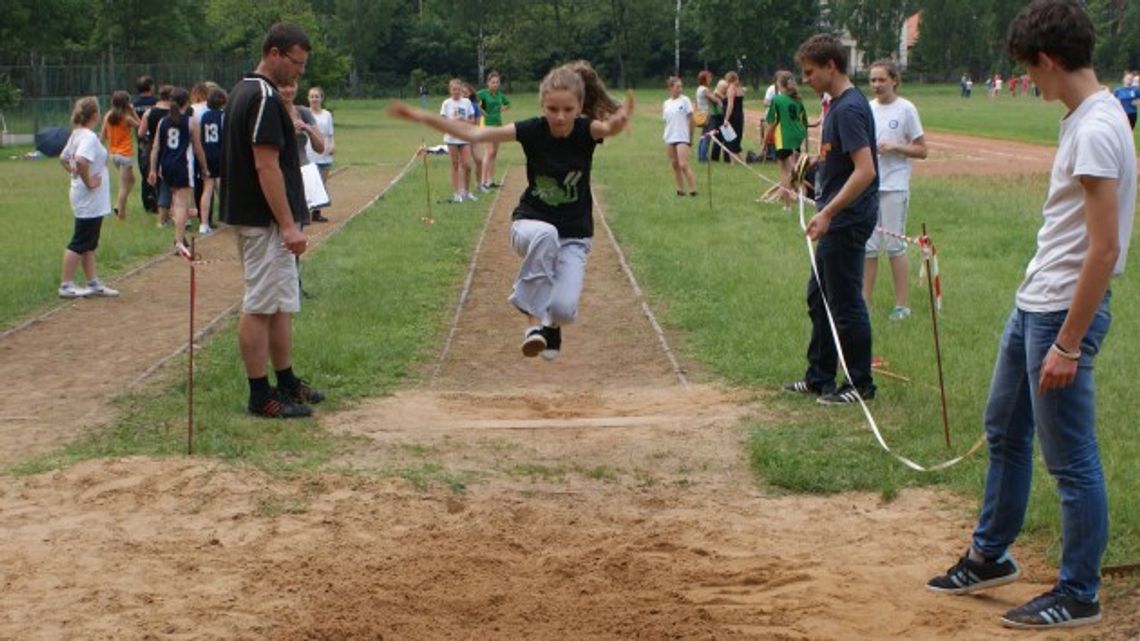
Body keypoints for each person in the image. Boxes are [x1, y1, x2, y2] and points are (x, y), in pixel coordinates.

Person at [926, 0, 1136, 630]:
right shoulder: (1084, 118)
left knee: (1070, 461)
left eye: (1030, 71)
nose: (1033, 85)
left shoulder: (1097, 127)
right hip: (1033, 304)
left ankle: (1079, 593)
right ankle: (990, 556)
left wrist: (1068, 343)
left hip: (1059, 318)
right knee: (1004, 430)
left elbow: (1105, 247)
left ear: (1047, 60)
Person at [390, 60, 632, 361]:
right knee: (546, 234)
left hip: (575, 235)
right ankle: (531, 321)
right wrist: (420, 115)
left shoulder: (587, 130)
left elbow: (608, 127)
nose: (560, 117)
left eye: (568, 110)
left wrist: (617, 124)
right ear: (542, 104)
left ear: (580, 106)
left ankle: (551, 325)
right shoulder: (531, 130)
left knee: (564, 310)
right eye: (552, 109)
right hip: (530, 225)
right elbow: (476, 135)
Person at [220, 22, 325, 418]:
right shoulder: (261, 96)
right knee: (260, 305)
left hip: (266, 220)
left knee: (280, 304)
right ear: (275, 54)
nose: (299, 72)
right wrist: (287, 224)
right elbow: (266, 167)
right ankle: (259, 395)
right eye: (295, 63)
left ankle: (286, 382)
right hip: (263, 222)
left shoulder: (245, 91)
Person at [783, 33, 878, 405]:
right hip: (837, 217)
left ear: (830, 67)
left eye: (809, 72)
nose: (805, 79)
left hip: (847, 221)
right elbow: (836, 165)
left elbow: (865, 170)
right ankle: (819, 376)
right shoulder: (837, 106)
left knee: (844, 303)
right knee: (818, 297)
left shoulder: (850, 109)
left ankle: (860, 384)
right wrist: (802, 181)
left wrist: (827, 212)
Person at [863, 59, 927, 321]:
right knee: (868, 247)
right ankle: (863, 302)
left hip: (895, 187)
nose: (877, 85)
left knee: (894, 245)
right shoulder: (867, 109)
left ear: (894, 81)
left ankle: (902, 305)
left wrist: (896, 147)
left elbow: (922, 150)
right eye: (873, 80)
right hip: (869, 186)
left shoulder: (906, 110)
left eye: (881, 79)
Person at [57, 97, 119, 299]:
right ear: (95, 115)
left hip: (88, 197)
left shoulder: (77, 134)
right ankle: (66, 285)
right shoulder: (89, 137)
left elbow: (64, 158)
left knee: (90, 242)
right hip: (89, 197)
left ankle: (93, 283)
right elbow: (82, 161)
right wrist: (87, 181)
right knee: (81, 240)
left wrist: (74, 174)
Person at [149, 87, 207, 254]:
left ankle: (180, 237)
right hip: (182, 165)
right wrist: (204, 167)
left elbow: (155, 148)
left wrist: (153, 169)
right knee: (182, 204)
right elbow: (198, 148)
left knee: (176, 201)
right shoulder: (190, 122)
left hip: (165, 165)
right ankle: (179, 242)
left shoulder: (163, 122)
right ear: (186, 102)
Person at [764, 70, 809, 209]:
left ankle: (787, 205)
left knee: (784, 171)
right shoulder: (797, 100)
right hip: (797, 137)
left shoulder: (777, 99)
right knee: (793, 169)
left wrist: (765, 140)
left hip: (784, 138)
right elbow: (804, 121)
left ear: (779, 83)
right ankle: (802, 196)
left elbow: (771, 121)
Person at [100, 90, 140, 221]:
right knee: (124, 186)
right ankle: (120, 214)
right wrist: (133, 111)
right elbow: (140, 126)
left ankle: (119, 205)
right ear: (126, 104)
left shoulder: (108, 116)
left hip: (114, 154)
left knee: (132, 180)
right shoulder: (126, 118)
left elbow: (103, 136)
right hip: (125, 154)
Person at [440, 78, 478, 203]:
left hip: (464, 137)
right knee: (455, 165)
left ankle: (466, 192)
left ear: (461, 90)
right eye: (453, 90)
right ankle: (456, 193)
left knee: (467, 165)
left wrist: (463, 120)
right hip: (451, 138)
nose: (456, 92)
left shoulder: (466, 102)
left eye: (458, 89)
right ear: (450, 91)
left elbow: (473, 121)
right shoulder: (446, 104)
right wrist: (453, 122)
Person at [140, 85, 173, 227]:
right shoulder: (176, 112)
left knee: (161, 185)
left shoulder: (150, 112)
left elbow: (141, 133)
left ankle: (162, 217)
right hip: (173, 150)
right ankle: (171, 215)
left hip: (155, 149)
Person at [198, 85, 226, 235]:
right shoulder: (223, 116)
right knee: (223, 188)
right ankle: (227, 217)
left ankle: (203, 223)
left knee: (207, 189)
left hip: (206, 154)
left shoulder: (204, 116)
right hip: (220, 154)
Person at [663, 76, 698, 197]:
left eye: (681, 86)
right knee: (674, 164)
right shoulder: (666, 103)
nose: (680, 89)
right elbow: (667, 121)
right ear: (670, 88)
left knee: (683, 164)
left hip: (682, 136)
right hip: (669, 137)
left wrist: (690, 136)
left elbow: (691, 119)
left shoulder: (685, 100)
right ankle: (680, 189)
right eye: (677, 87)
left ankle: (693, 189)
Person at [476, 71, 510, 189]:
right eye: (493, 82)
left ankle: (490, 180)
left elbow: (508, 104)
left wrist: (502, 109)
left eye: (497, 82)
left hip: (498, 125)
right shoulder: (483, 93)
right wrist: (482, 111)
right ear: (488, 83)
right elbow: (473, 100)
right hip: (488, 125)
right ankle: (483, 181)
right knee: (489, 151)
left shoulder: (500, 95)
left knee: (494, 153)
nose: (495, 84)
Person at [306, 86, 335, 221]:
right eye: (312, 96)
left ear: (321, 98)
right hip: (309, 153)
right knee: (308, 184)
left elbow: (330, 134)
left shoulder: (327, 114)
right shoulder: (305, 114)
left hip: (324, 154)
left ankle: (317, 213)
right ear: (308, 99)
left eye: (317, 96)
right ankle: (305, 213)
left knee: (321, 184)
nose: (314, 99)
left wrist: (331, 146)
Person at [132, 76, 159, 214]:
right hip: (155, 141)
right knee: (155, 171)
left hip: (142, 142)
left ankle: (147, 203)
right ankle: (157, 200)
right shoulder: (157, 103)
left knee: (144, 173)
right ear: (150, 87)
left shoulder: (134, 104)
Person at [721, 71, 746, 161]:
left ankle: (733, 161)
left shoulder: (731, 88)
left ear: (729, 79)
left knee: (731, 138)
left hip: (733, 116)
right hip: (740, 115)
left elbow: (730, 105)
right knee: (737, 137)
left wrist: (726, 119)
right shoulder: (740, 89)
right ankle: (742, 160)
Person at [694, 70, 714, 163]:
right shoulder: (705, 89)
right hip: (707, 115)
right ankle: (703, 157)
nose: (710, 79)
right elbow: (713, 99)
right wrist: (719, 100)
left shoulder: (698, 88)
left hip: (701, 114)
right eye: (709, 77)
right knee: (707, 137)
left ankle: (700, 155)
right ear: (704, 79)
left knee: (703, 136)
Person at [708, 79, 729, 163]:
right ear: (720, 87)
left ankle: (726, 159)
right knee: (718, 140)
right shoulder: (715, 94)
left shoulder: (720, 94)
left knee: (726, 139)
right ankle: (715, 158)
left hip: (721, 118)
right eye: (724, 88)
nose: (726, 90)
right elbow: (722, 106)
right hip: (717, 118)